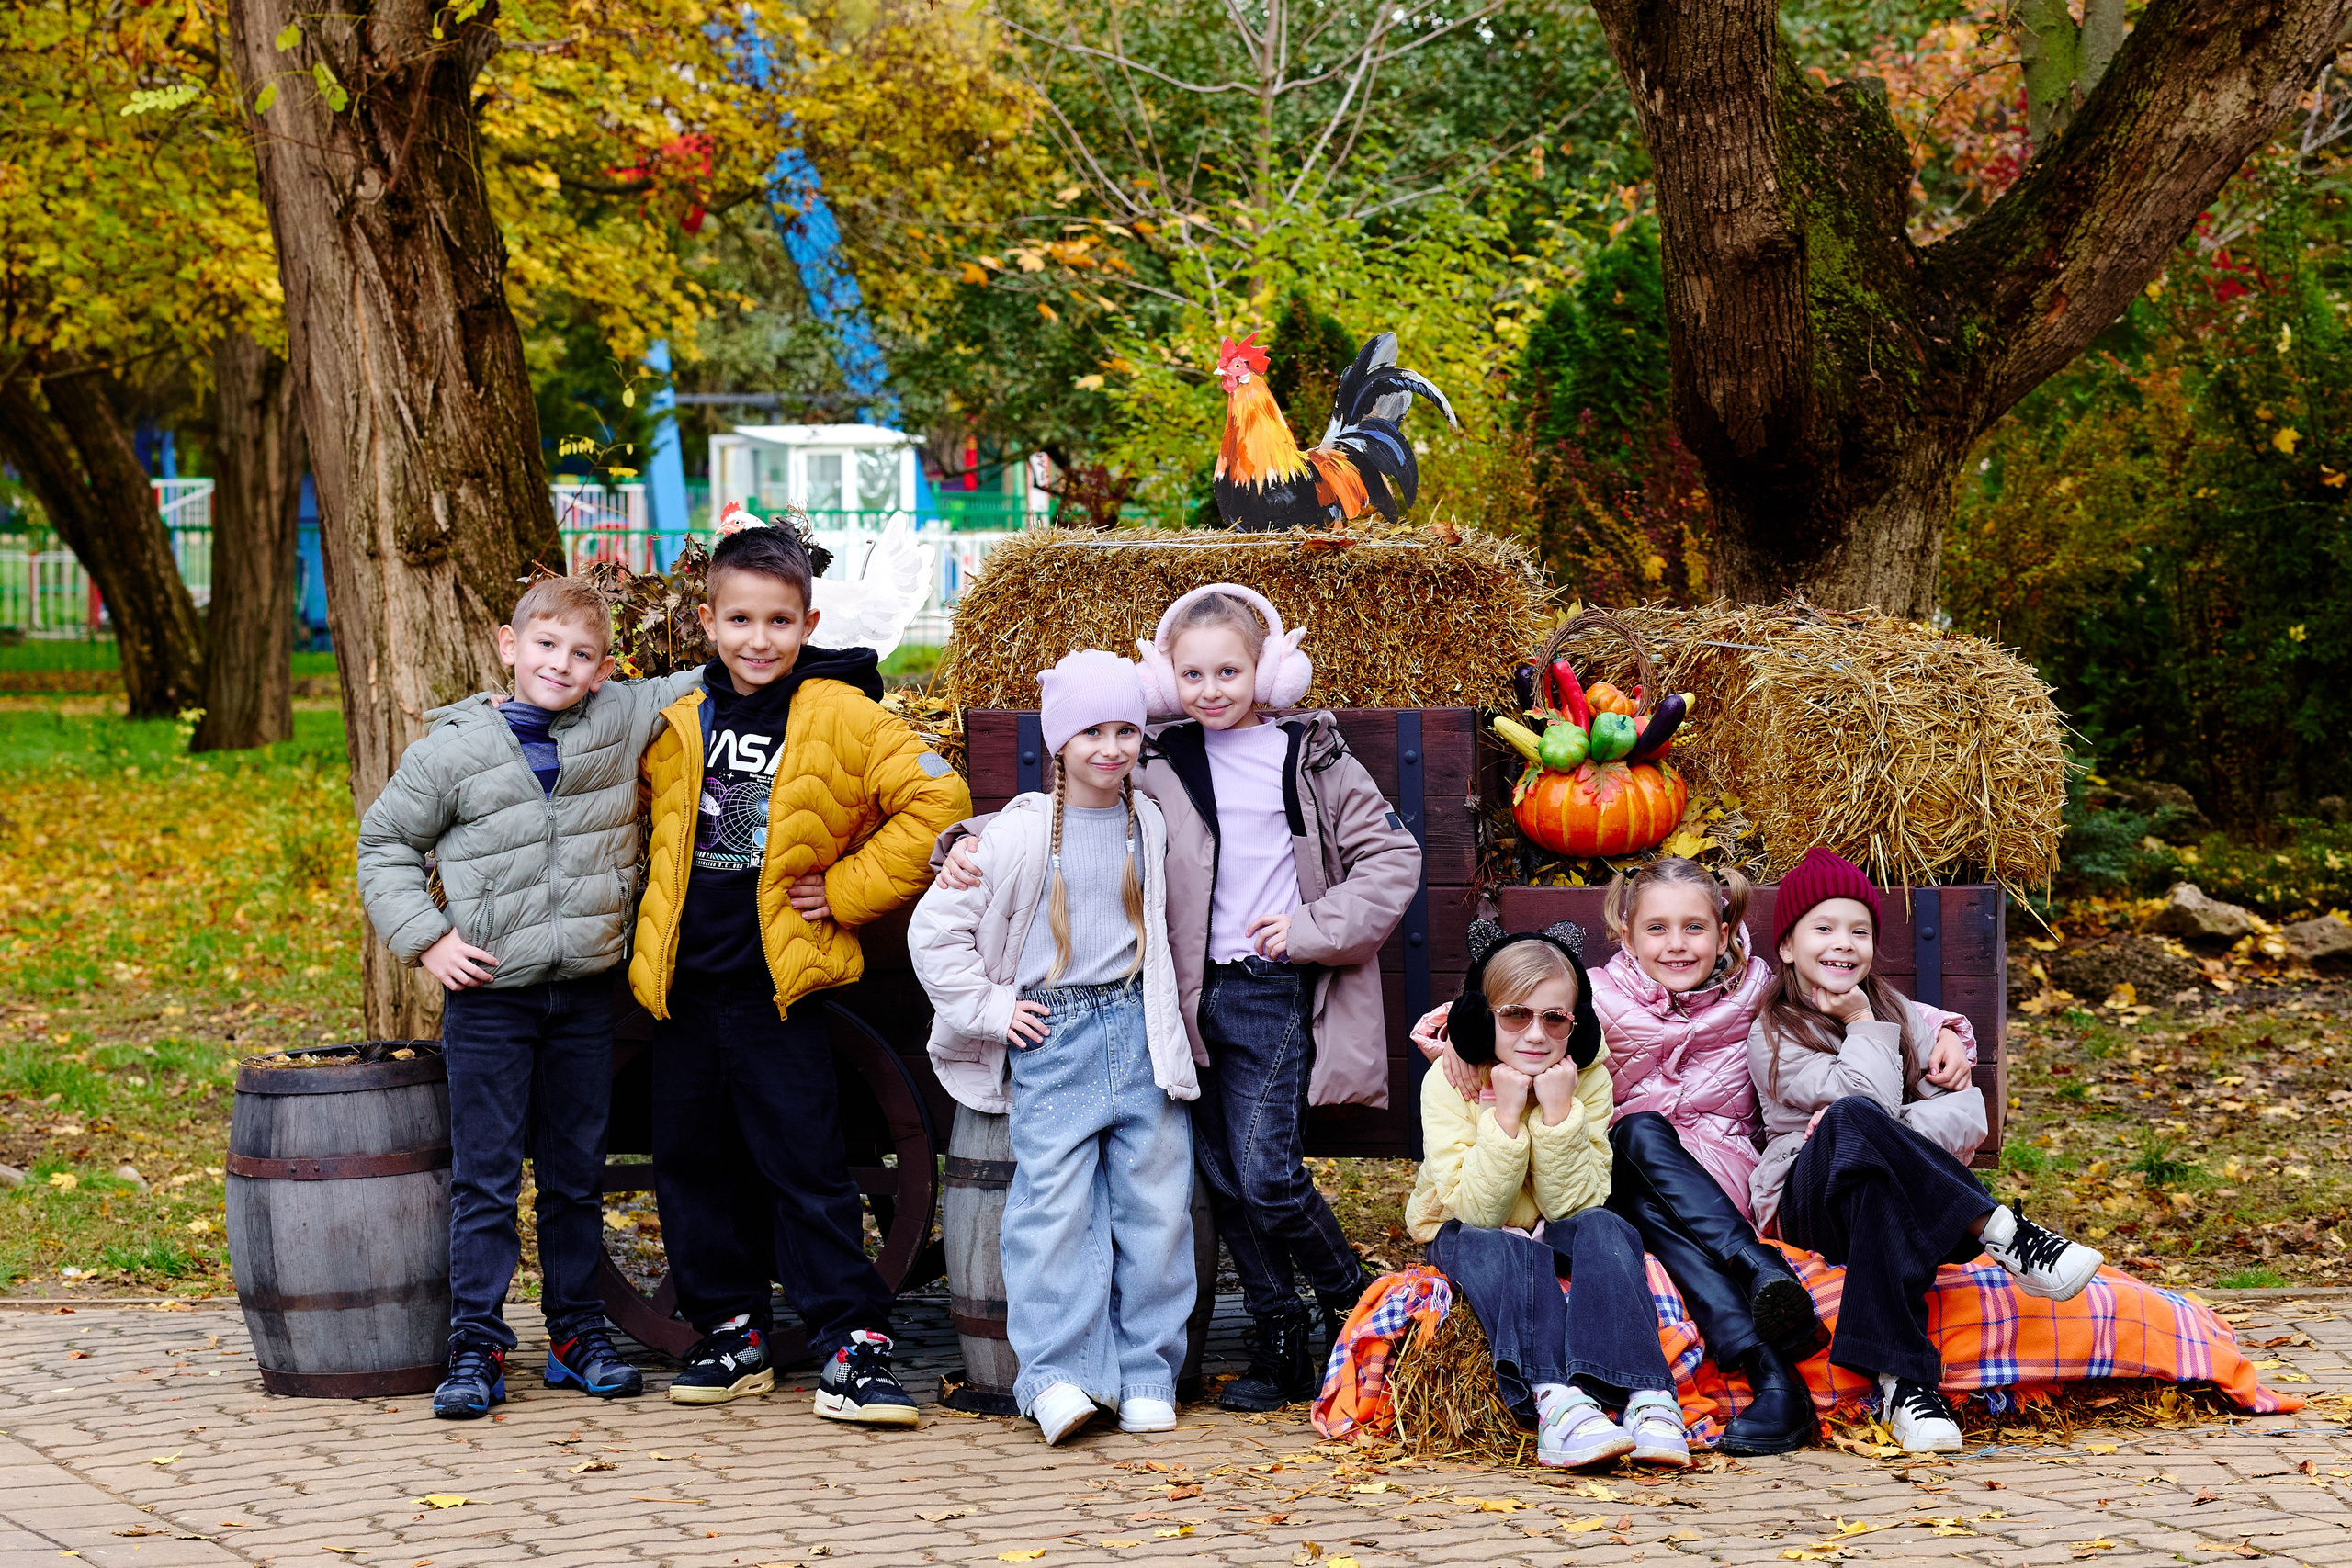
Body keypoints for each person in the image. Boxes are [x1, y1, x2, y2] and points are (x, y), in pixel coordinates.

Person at [940, 584, 1421, 1410]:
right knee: (1222, 1176)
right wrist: (963, 842)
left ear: (1269, 667)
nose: (1212, 689)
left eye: (1230, 670)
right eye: (1192, 674)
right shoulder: (1152, 753)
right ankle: (1278, 1331)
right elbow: (1062, 809)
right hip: (1181, 997)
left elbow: (1392, 860)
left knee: (1267, 1173)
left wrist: (1310, 925)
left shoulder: (1313, 755)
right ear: (1166, 681)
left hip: (1269, 987)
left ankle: (1355, 1298)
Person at [628, 516, 970, 1422]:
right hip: (683, 992)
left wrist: (849, 889)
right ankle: (731, 1329)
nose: (758, 640)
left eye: (779, 622)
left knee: (806, 1168)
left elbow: (939, 801)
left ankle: (850, 1345)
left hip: (776, 991)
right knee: (693, 1167)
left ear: (808, 626)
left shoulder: (842, 716)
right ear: (707, 623)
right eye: (740, 621)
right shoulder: (675, 721)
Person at [356, 575, 700, 1419]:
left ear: (603, 669)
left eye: (582, 654)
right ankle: (475, 1342)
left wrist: (818, 656)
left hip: (584, 996)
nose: (561, 664)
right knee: (485, 1177)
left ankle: (577, 1332)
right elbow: (385, 844)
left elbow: (711, 676)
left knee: (576, 1175)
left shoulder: (618, 718)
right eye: (545, 645)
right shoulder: (453, 749)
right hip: (491, 1000)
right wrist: (429, 939)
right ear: (510, 647)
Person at [1415, 857, 1820, 1454]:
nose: (1676, 944)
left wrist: (1943, 1031)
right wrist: (1459, 1036)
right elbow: (1514, 1002)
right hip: (1615, 1168)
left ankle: (1763, 1369)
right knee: (1638, 1137)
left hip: (1711, 1179)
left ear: (1726, 931)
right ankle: (1759, 1294)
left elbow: (1846, 990)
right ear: (1625, 933)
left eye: (1694, 927)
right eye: (1657, 927)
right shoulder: (1592, 998)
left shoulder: (1757, 984)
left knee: (1643, 1167)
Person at [908, 650, 1199, 1444]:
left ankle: (1145, 1373)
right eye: (1091, 732)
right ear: (1059, 742)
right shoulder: (1019, 831)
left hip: (1138, 1031)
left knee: (1156, 1212)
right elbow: (935, 932)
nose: (1110, 747)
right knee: (1053, 1212)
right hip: (1056, 1032)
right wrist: (994, 1008)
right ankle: (1058, 1377)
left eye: (1126, 730)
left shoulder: (1152, 821)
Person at [1750, 848, 2105, 1453]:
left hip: (1871, 1198)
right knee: (1853, 1119)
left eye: (1859, 930)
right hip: (1805, 1204)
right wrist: (1862, 1021)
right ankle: (2003, 1229)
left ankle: (1905, 1384)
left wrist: (1908, 1041)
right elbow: (1863, 1104)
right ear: (1786, 946)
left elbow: (1967, 1114)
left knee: (1877, 1179)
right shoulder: (1776, 1031)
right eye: (1825, 927)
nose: (1844, 943)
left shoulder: (1901, 1012)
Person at [1405, 921, 1690, 1470]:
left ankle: (1645, 1396)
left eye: (1554, 1018)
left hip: (1553, 1219)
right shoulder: (1447, 1082)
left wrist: (1558, 1114)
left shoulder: (1584, 1079)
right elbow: (1479, 1211)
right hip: (1465, 1226)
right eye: (1515, 1015)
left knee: (1610, 1229)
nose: (1535, 1034)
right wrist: (1506, 1115)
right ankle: (1556, 1401)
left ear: (1575, 1027)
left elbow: (1575, 1206)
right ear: (1481, 1019)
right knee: (1502, 1245)